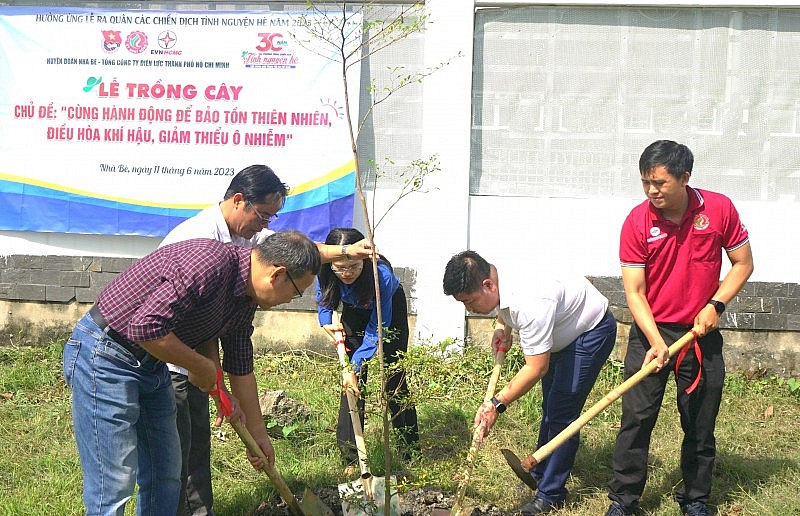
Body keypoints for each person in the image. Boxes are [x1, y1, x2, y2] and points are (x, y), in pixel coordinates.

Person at [160, 164, 373, 516]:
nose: (266, 226)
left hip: (196, 359)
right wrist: (211, 374)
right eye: (264, 216)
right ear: (239, 200)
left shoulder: (247, 240)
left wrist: (348, 253)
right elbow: (179, 323)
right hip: (169, 356)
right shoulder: (201, 240)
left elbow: (299, 253)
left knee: (196, 447)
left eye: (272, 219)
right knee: (173, 455)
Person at [62, 231, 321, 515]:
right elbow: (145, 328)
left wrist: (258, 435)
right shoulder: (209, 264)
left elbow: (239, 362)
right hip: (106, 354)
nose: (292, 300)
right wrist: (200, 366)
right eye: (296, 292)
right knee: (114, 483)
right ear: (278, 274)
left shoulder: (245, 298)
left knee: (167, 474)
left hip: (153, 364)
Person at [605, 140, 754, 516]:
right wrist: (655, 341)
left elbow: (742, 263)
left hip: (700, 334)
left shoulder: (718, 209)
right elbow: (634, 293)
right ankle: (623, 501)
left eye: (659, 183)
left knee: (700, 421)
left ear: (685, 178)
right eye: (645, 183)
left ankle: (696, 499)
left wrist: (716, 305)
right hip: (650, 333)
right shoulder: (637, 222)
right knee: (636, 421)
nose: (652, 191)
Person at [442, 250, 618, 515]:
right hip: (559, 329)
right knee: (552, 406)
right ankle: (541, 474)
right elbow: (505, 306)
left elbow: (536, 368)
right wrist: (502, 326)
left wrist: (495, 405)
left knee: (562, 414)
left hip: (588, 332)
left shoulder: (532, 301)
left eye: (469, 301)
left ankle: (551, 494)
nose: (468, 308)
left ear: (488, 284)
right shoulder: (496, 274)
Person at [316, 227, 420, 474]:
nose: (346, 273)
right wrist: (326, 323)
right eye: (340, 268)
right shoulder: (327, 271)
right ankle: (351, 458)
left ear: (364, 260)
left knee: (395, 376)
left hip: (387, 310)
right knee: (351, 384)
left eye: (353, 267)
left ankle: (410, 451)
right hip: (355, 307)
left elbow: (377, 328)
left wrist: (355, 364)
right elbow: (324, 299)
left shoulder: (380, 276)